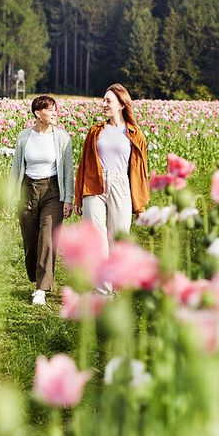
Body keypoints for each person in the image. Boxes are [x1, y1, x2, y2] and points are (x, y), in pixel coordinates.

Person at [73, 83, 150, 287]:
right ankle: (103, 291)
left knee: (118, 238)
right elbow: (84, 165)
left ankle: (116, 282)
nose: (103, 104)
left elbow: (139, 171)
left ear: (121, 105)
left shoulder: (135, 134)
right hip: (94, 186)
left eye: (108, 101)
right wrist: (78, 196)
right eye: (104, 99)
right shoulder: (95, 131)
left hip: (120, 184)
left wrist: (140, 205)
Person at [10, 95, 75, 305]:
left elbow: (67, 172)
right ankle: (36, 276)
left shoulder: (63, 138)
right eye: (50, 109)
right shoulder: (23, 137)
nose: (55, 113)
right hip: (27, 189)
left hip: (52, 190)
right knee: (31, 241)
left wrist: (68, 199)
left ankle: (41, 288)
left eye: (56, 109)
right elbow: (16, 168)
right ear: (38, 113)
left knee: (47, 238)